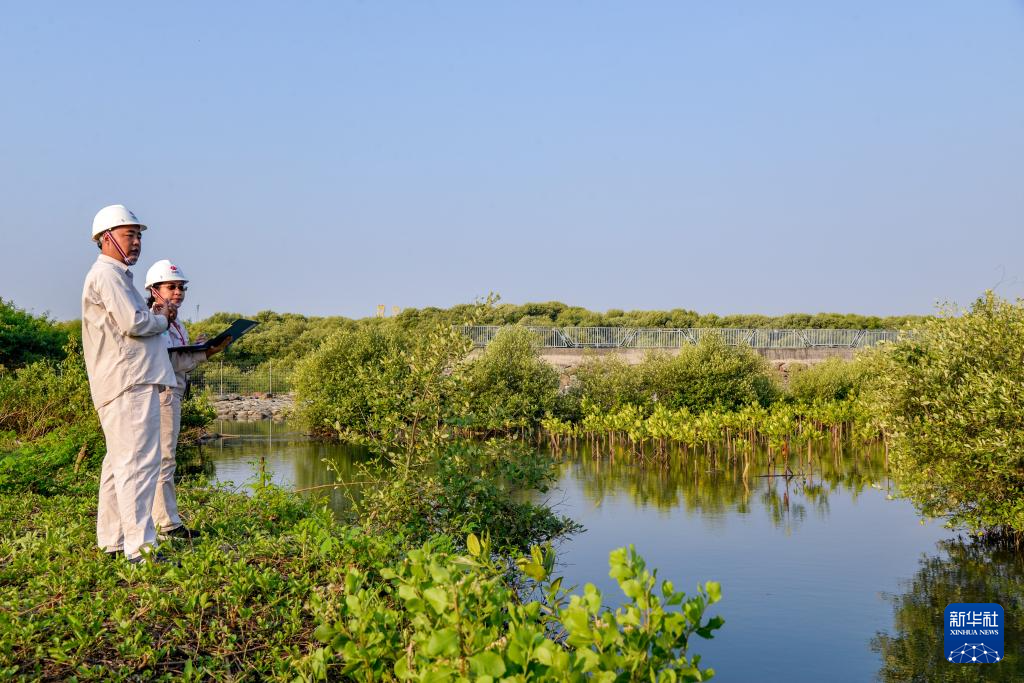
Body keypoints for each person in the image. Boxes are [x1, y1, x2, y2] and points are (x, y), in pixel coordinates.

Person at [81, 205, 177, 564]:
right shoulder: (108, 275)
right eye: (129, 234)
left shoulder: (114, 276)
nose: (136, 242)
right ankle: (141, 548)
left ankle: (113, 539)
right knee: (139, 463)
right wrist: (162, 318)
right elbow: (134, 323)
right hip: (130, 381)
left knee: (119, 463)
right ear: (106, 238)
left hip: (121, 381)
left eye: (138, 235)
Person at [144, 260, 229, 540]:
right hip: (165, 392)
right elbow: (168, 361)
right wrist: (207, 353)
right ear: (154, 290)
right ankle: (166, 524)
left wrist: (199, 345)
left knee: (164, 458)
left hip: (174, 391)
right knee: (165, 458)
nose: (178, 292)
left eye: (181, 287)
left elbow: (177, 353)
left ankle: (161, 520)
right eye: (171, 286)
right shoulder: (157, 320)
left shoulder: (174, 320)